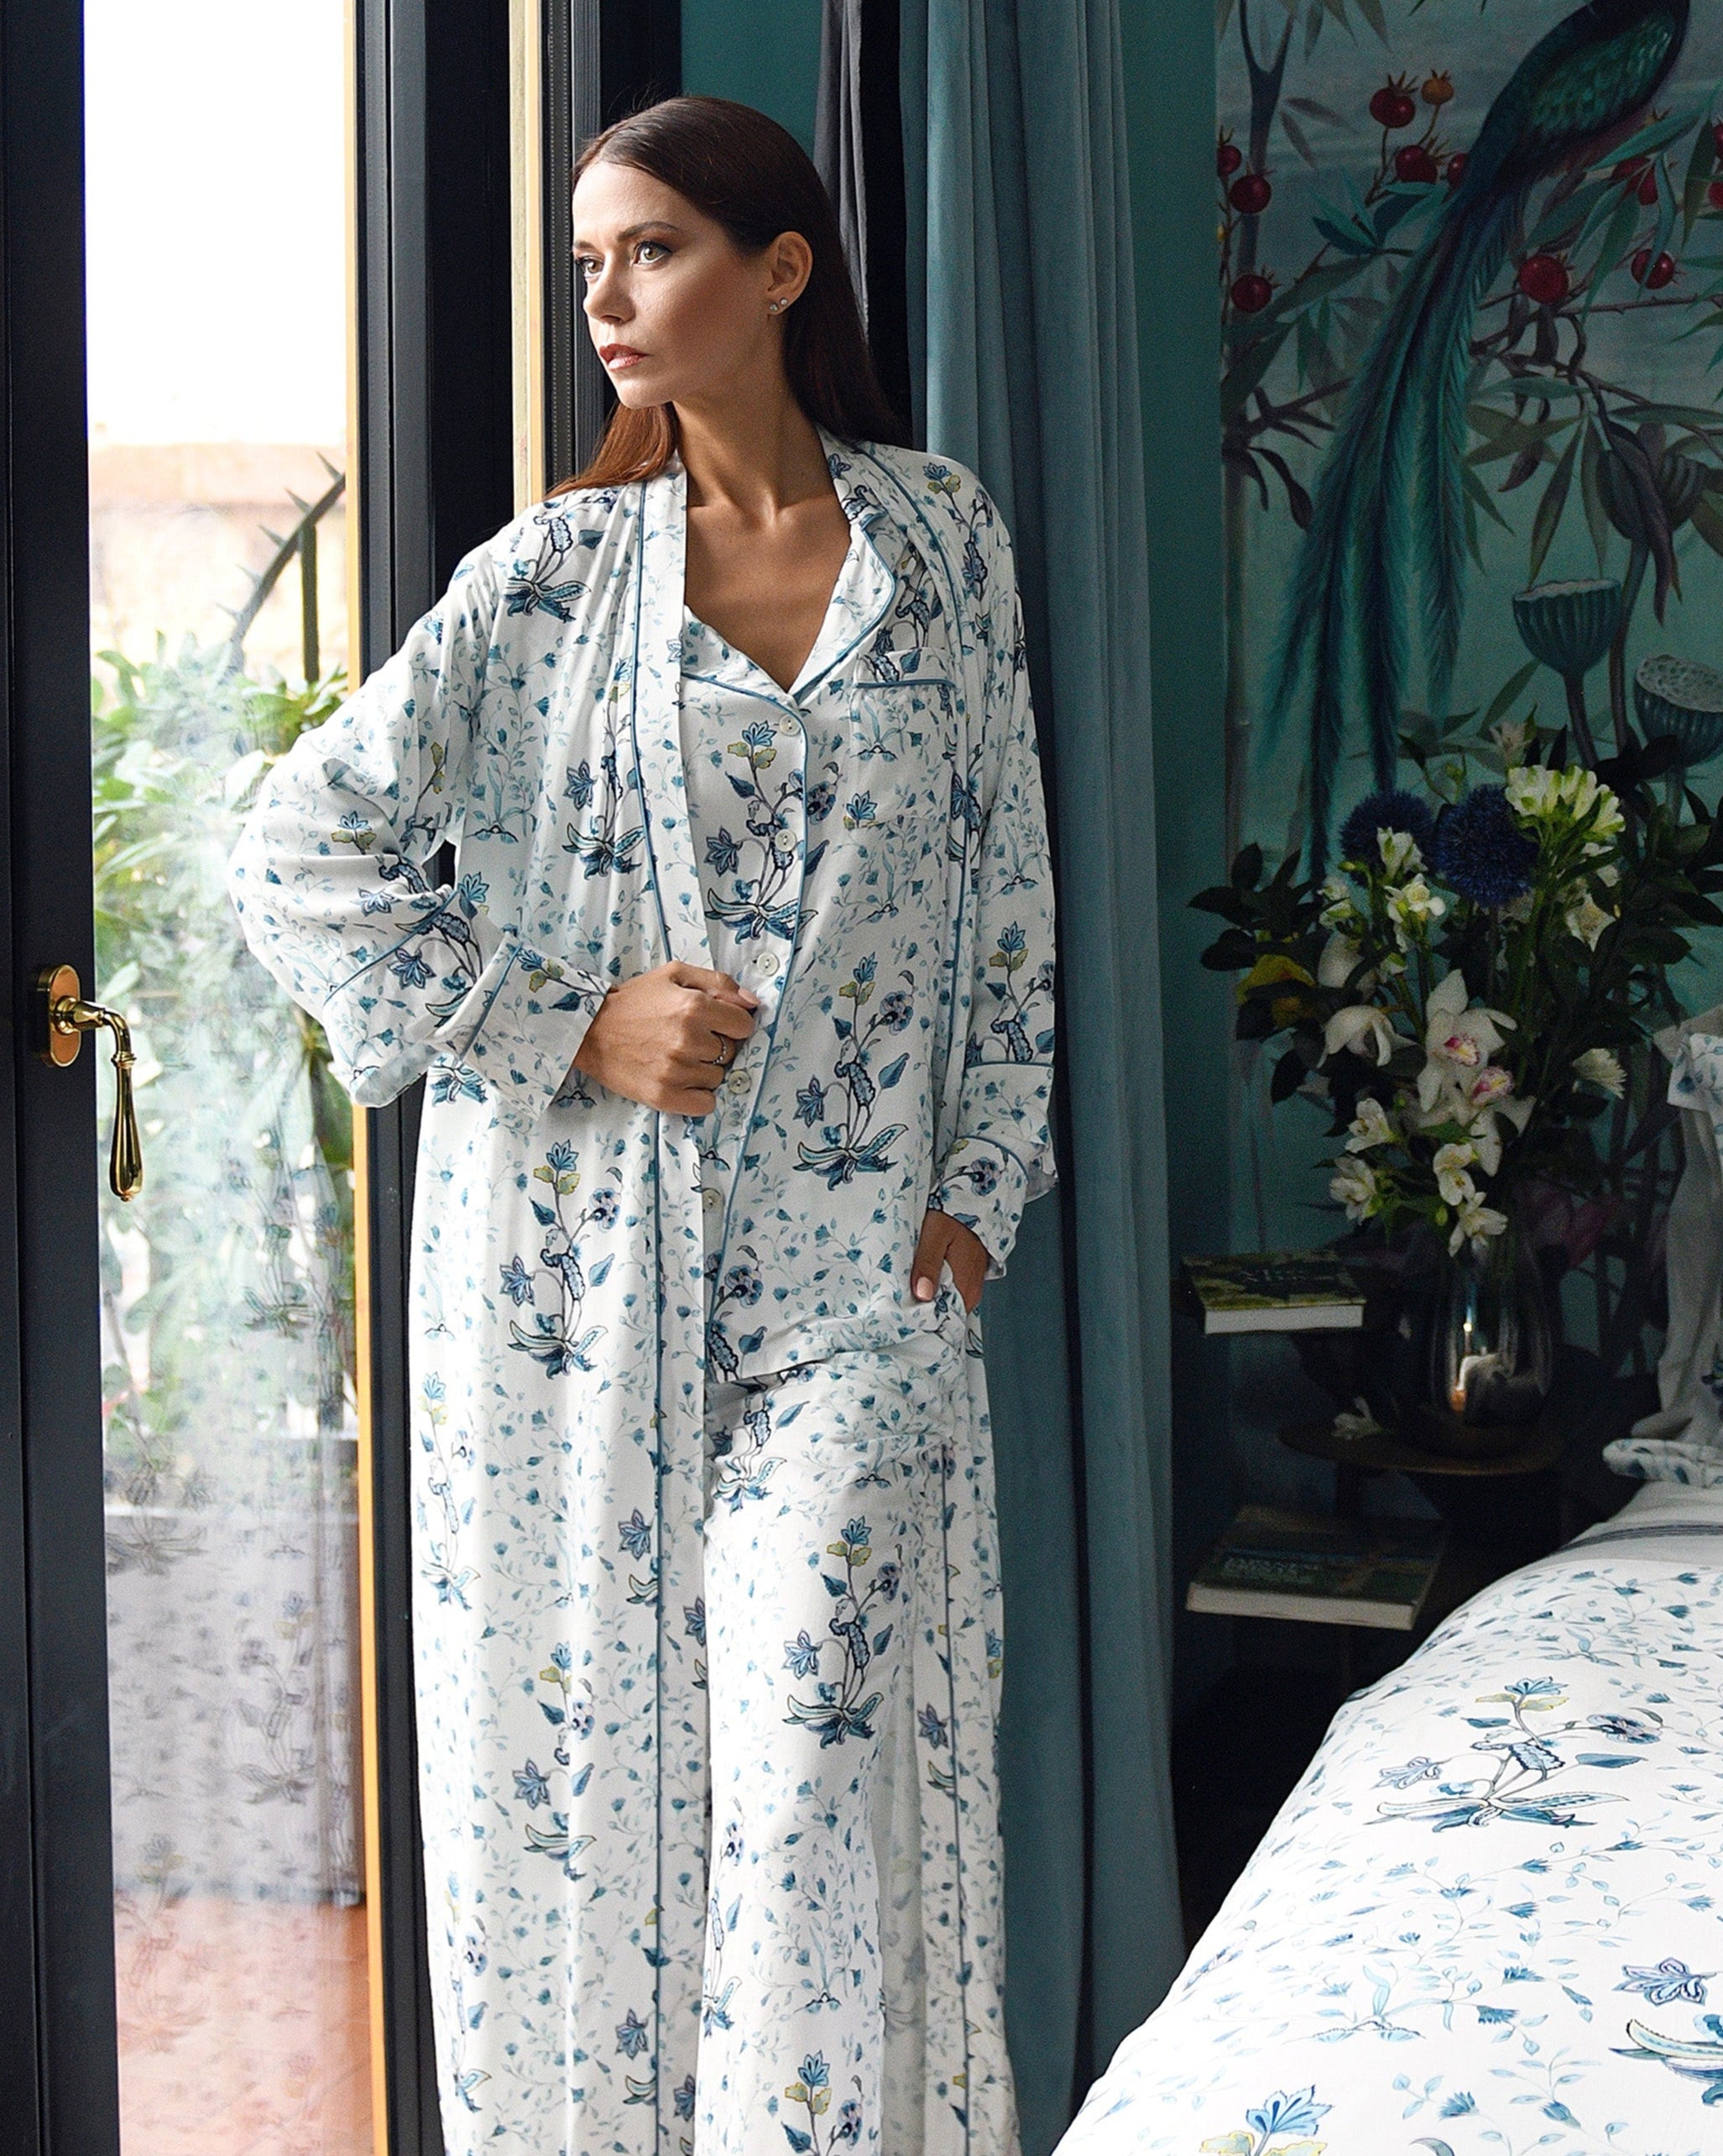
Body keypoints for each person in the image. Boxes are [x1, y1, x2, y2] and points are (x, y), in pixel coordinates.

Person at [229, 94, 1052, 2156]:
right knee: (595, 1788)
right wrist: (560, 1021)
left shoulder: (944, 538)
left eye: (651, 249)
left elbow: (1005, 880)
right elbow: (295, 851)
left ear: (779, 271)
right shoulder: (551, 577)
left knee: (807, 1754)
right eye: (586, 258)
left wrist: (987, 1177)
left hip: (862, 1282)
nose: (602, 294)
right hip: (585, 1287)